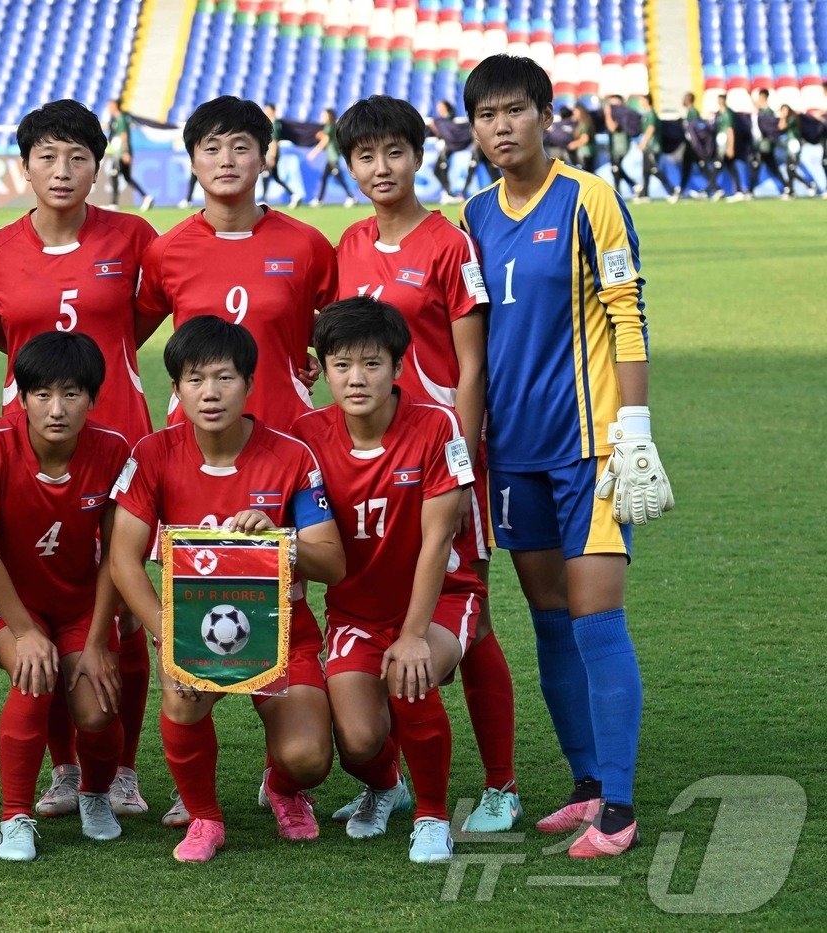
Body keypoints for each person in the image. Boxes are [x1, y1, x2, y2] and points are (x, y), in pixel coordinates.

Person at [461, 53, 674, 858]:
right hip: (512, 453)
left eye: (514, 110)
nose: (500, 127)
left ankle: (619, 807)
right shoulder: (474, 214)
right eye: (486, 115)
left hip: (590, 451)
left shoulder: (591, 200)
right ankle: (586, 786)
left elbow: (628, 310)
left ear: (545, 115)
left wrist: (637, 427)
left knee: (597, 619)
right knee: (550, 623)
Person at [329, 95, 519, 834]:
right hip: (380, 452)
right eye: (365, 156)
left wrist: (463, 456)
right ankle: (394, 780)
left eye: (394, 152)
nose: (382, 168)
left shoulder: (448, 242)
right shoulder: (347, 244)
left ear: (419, 155)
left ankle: (500, 783)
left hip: (444, 449)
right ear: (349, 166)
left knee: (468, 612)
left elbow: (470, 365)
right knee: (405, 590)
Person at [0, 98, 157, 821]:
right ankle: (65, 769)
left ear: (98, 166)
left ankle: (126, 768)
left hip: (121, 445)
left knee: (127, 614)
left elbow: (152, 313)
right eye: (47, 156)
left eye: (78, 156)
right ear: (24, 166)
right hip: (28, 456)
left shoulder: (135, 237)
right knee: (41, 606)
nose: (63, 169)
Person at [109, 316, 346, 863]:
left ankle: (283, 789)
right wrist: (169, 635)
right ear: (176, 389)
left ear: (249, 383)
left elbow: (332, 563)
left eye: (224, 378)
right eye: (194, 380)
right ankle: (205, 817)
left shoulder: (291, 456)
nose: (210, 393)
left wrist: (281, 539)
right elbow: (123, 559)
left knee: (308, 756)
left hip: (283, 632)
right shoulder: (153, 453)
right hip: (196, 629)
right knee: (180, 691)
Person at [293, 297, 484, 864]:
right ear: (322, 368)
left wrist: (413, 634)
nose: (356, 379)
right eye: (342, 364)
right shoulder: (305, 435)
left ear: (398, 367)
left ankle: (431, 816)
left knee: (411, 673)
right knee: (356, 740)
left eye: (372, 364)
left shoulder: (435, 424)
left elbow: (439, 539)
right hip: (355, 612)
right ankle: (385, 785)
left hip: (444, 598)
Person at [0, 331, 131, 861]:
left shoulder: (113, 449)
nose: (56, 409)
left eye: (72, 394)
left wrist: (99, 637)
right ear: (22, 395)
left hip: (82, 600)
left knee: (99, 708)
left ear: (93, 398)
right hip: (13, 599)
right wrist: (26, 631)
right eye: (42, 395)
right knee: (34, 677)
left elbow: (117, 554)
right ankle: (15, 817)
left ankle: (95, 794)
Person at [138, 95, 336, 445]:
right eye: (211, 149)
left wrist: (305, 347)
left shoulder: (306, 244)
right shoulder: (165, 251)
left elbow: (345, 331)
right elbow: (124, 337)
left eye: (241, 148)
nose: (226, 161)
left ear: (263, 160)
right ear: (193, 162)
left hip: (287, 434)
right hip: (193, 437)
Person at [104, 98, 153, 210]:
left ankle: (114, 204)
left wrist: (126, 153)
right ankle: (146, 196)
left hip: (121, 153)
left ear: (115, 106)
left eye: (110, 106)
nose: (108, 108)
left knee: (114, 174)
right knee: (126, 178)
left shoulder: (121, 118)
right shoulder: (115, 119)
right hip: (118, 153)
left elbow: (124, 136)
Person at [309, 107, 356, 206]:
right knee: (325, 178)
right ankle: (319, 200)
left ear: (328, 116)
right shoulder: (333, 126)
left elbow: (324, 142)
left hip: (333, 158)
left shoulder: (329, 127)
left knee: (338, 178)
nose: (322, 117)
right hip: (331, 157)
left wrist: (314, 153)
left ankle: (351, 197)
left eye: (324, 115)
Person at [428, 100, 473, 204]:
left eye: (441, 107)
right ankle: (449, 193)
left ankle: (455, 194)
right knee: (439, 170)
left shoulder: (445, 121)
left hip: (450, 149)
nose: (438, 109)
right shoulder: (440, 122)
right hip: (446, 149)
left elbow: (449, 131)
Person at [630, 94, 674, 202]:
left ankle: (672, 190)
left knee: (654, 169)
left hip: (652, 147)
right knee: (646, 171)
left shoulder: (651, 114)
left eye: (642, 100)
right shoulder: (645, 114)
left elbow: (651, 129)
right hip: (648, 147)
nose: (640, 103)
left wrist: (643, 142)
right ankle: (645, 195)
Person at [750, 89, 790, 198]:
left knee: (756, 165)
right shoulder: (761, 111)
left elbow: (770, 129)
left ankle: (749, 191)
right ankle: (787, 187)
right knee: (772, 168)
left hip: (765, 145)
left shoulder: (768, 113)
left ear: (763, 98)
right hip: (762, 144)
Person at [778, 103, 822, 198]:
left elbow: (782, 126)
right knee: (789, 168)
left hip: (795, 145)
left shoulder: (792, 119)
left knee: (791, 168)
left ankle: (808, 185)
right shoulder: (790, 118)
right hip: (790, 145)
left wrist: (783, 117)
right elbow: (780, 127)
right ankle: (792, 190)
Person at [262, 102, 302, 207]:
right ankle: (294, 195)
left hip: (271, 154)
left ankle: (264, 200)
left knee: (266, 175)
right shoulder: (270, 123)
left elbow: (274, 141)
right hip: (269, 154)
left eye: (267, 110)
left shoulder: (274, 124)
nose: (265, 112)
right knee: (276, 177)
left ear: (272, 111)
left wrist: (273, 157)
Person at [602, 95, 638, 197]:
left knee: (616, 168)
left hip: (620, 146)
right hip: (614, 146)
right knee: (615, 169)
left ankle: (627, 188)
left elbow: (612, 127)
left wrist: (607, 114)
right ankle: (632, 186)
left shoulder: (622, 115)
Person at [712, 93, 746, 201]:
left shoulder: (727, 114)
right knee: (730, 168)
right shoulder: (719, 114)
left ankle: (714, 190)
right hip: (721, 145)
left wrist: (730, 147)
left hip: (725, 146)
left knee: (719, 167)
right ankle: (737, 191)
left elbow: (730, 131)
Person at [567, 104, 596, 173]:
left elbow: (585, 139)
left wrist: (573, 145)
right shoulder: (580, 123)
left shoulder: (585, 124)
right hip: (585, 154)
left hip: (585, 154)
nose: (574, 113)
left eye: (576, 111)